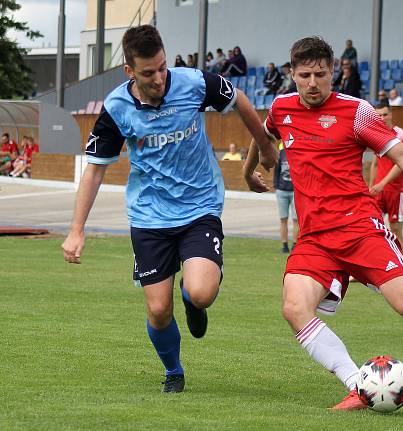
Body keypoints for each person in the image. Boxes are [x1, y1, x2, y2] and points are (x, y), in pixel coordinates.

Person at [242, 36, 403, 411]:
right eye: (305, 75)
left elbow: (402, 154)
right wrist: (248, 170)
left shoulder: (358, 112)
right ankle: (359, 385)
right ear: (292, 74)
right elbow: (264, 131)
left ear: (333, 71)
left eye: (321, 74)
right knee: (294, 308)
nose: (313, 83)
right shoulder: (281, 107)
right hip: (315, 238)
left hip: (360, 229)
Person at [61, 25, 275, 393]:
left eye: (162, 67)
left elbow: (238, 98)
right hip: (149, 217)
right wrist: (76, 229)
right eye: (148, 72)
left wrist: (265, 146)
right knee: (158, 310)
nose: (159, 78)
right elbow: (95, 169)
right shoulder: (116, 109)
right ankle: (174, 372)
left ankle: (194, 303)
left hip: (199, 207)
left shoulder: (192, 83)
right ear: (129, 71)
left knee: (202, 292)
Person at [368, 100, 403, 251]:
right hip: (379, 192)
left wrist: (382, 183)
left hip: (396, 190)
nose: (382, 118)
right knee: (373, 230)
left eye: (385, 114)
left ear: (391, 114)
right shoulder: (375, 134)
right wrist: (371, 186)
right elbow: (375, 163)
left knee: (396, 230)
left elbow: (401, 164)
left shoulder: (402, 135)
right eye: (378, 115)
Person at [274, 145, 298, 253]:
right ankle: (284, 245)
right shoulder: (281, 153)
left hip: (295, 191)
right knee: (283, 218)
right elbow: (276, 171)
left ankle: (295, 244)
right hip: (282, 190)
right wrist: (276, 186)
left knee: (296, 219)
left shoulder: (297, 152)